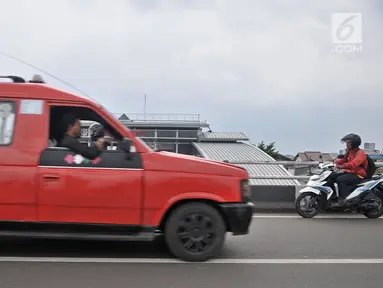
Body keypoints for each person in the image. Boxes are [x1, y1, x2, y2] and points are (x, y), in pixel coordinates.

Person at [330, 133, 368, 206]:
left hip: (358, 174)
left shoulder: (360, 153)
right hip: (350, 172)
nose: (346, 144)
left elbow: (354, 164)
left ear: (354, 143)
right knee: (331, 176)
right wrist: (332, 163)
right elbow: (344, 160)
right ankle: (333, 197)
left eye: (348, 142)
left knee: (340, 179)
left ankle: (344, 199)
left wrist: (342, 166)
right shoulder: (349, 151)